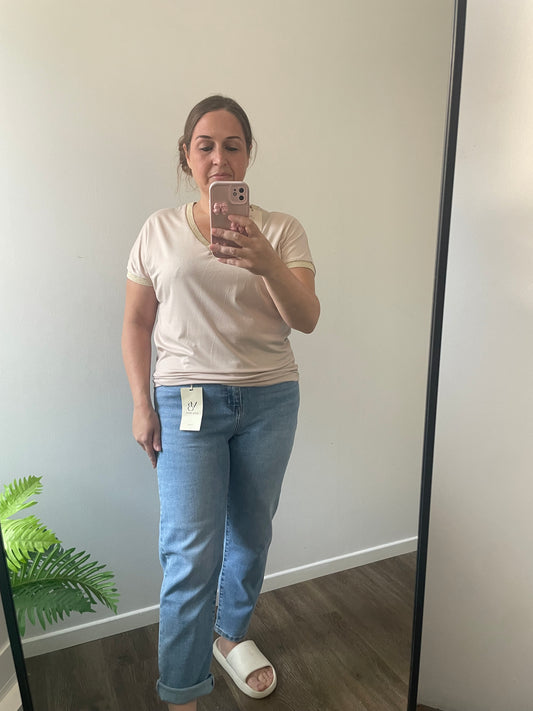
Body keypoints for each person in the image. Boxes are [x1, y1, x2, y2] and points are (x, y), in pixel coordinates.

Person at [121, 95, 320, 710]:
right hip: (185, 402)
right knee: (190, 553)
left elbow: (306, 317)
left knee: (252, 535)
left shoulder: (281, 230)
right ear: (186, 155)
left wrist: (265, 261)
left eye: (232, 145)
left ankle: (230, 634)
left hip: (270, 401)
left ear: (248, 154)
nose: (218, 157)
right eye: (205, 145)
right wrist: (141, 405)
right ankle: (182, 691)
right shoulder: (158, 230)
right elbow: (136, 322)